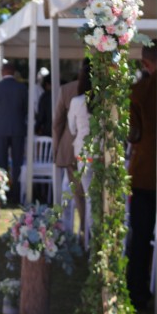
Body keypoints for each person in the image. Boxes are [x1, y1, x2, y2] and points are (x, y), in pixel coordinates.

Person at [127, 42, 157, 314]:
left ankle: (137, 292)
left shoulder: (138, 91)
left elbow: (133, 134)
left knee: (140, 238)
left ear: (146, 64)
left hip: (145, 172)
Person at [53, 60, 86, 234]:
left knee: (78, 193)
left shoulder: (67, 89)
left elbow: (57, 122)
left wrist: (57, 148)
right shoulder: (105, 89)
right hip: (95, 149)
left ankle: (82, 229)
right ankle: (87, 231)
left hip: (72, 146)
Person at [0, 61, 28, 205]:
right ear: (14, 72)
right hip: (18, 128)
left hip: (1, 128)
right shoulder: (21, 87)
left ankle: (2, 193)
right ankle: (16, 194)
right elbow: (25, 109)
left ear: (3, 72)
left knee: (1, 163)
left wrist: (0, 120)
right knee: (17, 163)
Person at [66, 60, 93, 243]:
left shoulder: (77, 102)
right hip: (102, 153)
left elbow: (72, 128)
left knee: (89, 198)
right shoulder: (106, 100)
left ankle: (88, 240)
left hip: (84, 153)